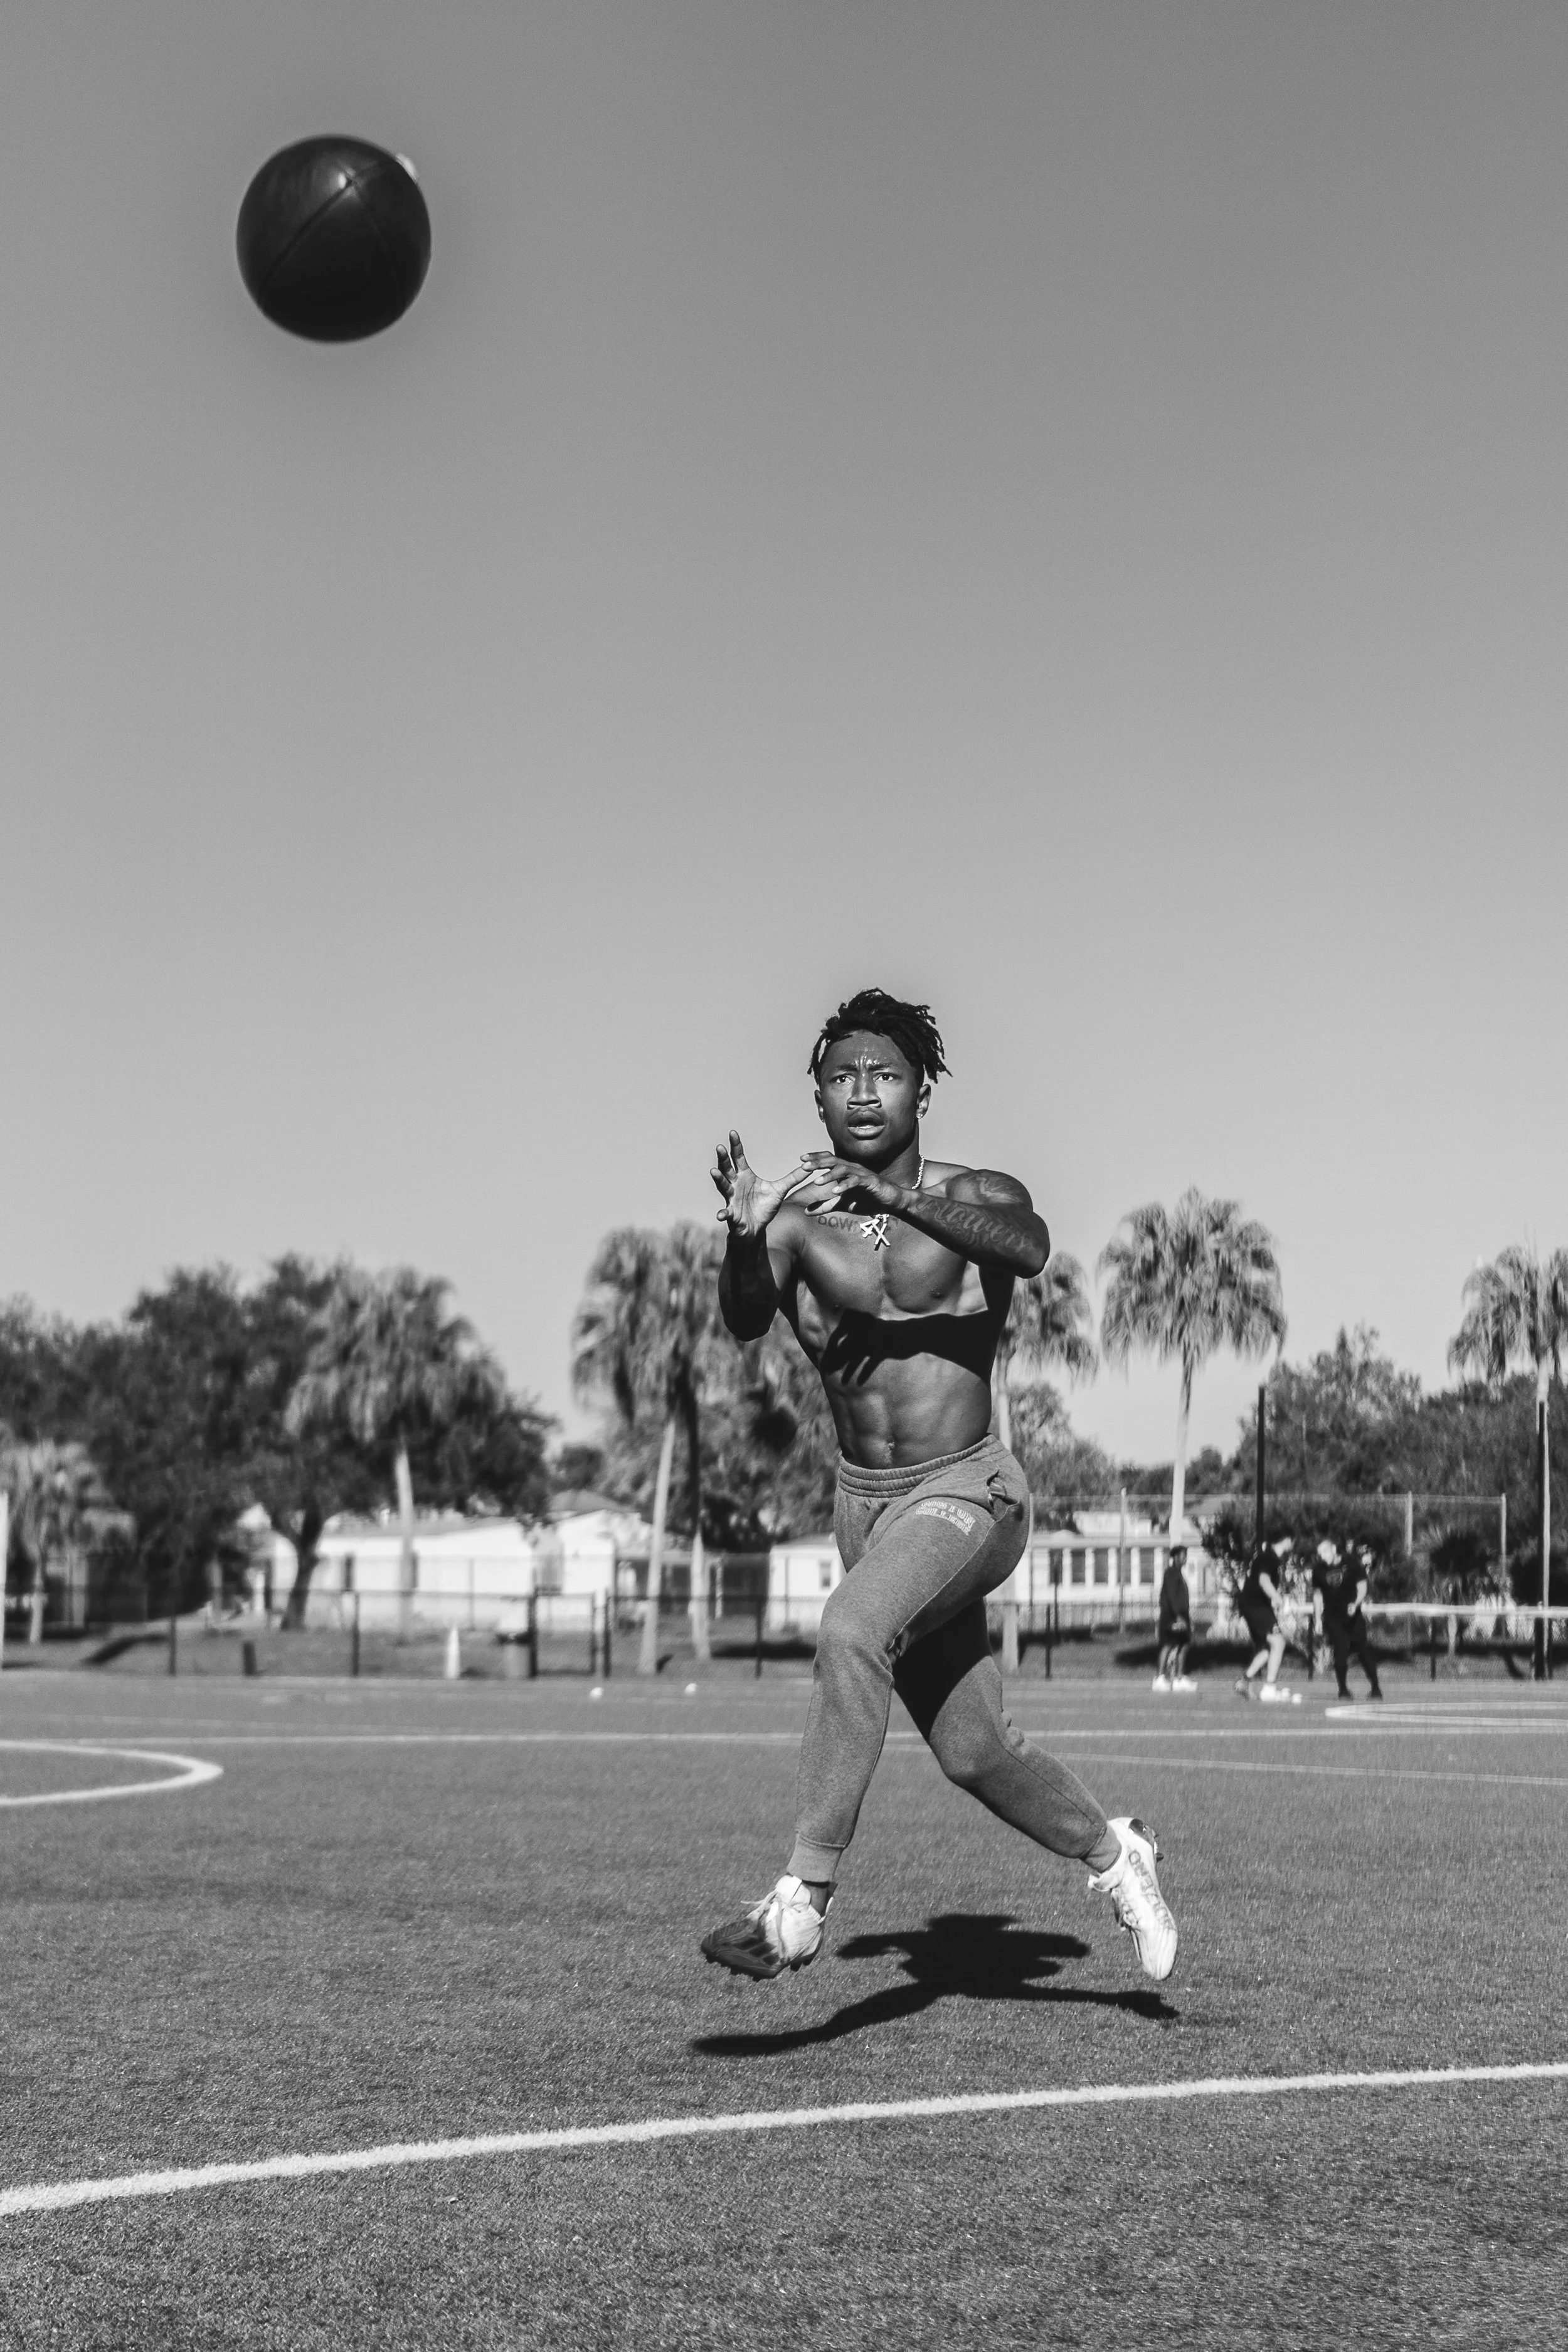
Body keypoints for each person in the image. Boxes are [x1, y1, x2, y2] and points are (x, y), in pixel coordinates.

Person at [700, 988, 1177, 1984]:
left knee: (850, 1627)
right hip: (866, 1506)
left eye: (883, 1074)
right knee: (974, 1750)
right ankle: (1115, 1852)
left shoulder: (976, 1192)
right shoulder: (796, 1221)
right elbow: (745, 1318)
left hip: (971, 1486)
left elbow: (1030, 1248)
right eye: (841, 1078)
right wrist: (745, 1235)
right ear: (819, 1100)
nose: (861, 1092)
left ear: (921, 1091)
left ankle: (801, 1902)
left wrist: (895, 1199)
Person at [1311, 1539, 1383, 1702]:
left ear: (1333, 1549)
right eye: (1320, 1554)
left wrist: (1356, 1604)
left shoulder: (1350, 1563)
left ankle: (1376, 1688)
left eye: (1325, 1552)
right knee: (1340, 1651)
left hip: (1353, 1615)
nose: (1322, 1556)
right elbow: (1317, 1595)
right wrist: (1318, 1619)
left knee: (1362, 1649)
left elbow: (1362, 1587)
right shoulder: (1318, 1570)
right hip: (1332, 1616)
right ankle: (1343, 1690)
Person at [1235, 1539, 1295, 1703]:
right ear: (1287, 1540)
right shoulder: (1270, 1558)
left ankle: (1244, 1682)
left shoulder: (1267, 1557)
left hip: (1253, 1605)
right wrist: (1278, 1599)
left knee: (1268, 1647)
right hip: (1256, 1606)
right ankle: (1269, 1689)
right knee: (1279, 1642)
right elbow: (1264, 1580)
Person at [1155, 1545, 1195, 1693]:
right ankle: (1160, 1678)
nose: (1185, 1559)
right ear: (1176, 1557)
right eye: (1183, 1556)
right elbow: (1171, 1596)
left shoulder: (1179, 1574)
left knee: (1184, 1644)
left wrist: (1186, 1617)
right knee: (1168, 1644)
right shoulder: (1171, 1573)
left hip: (1182, 1614)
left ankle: (1179, 1679)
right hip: (1171, 1615)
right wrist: (1178, 1616)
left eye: (1186, 1555)